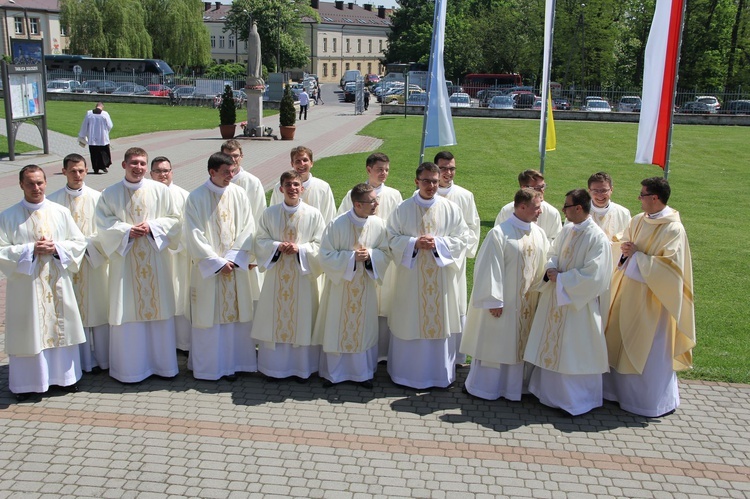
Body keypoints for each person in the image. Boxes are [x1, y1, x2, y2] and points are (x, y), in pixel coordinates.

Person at [603, 177, 695, 418]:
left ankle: (648, 402)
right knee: (619, 338)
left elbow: (671, 269)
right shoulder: (637, 220)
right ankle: (616, 394)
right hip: (628, 293)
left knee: (650, 352)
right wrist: (623, 252)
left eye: (642, 194)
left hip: (656, 301)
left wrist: (636, 257)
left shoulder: (673, 228)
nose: (639, 198)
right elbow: (622, 246)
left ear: (655, 198)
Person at [0, 165, 87, 401]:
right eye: (30, 183)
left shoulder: (60, 212)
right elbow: (1, 251)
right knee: (31, 331)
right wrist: (30, 249)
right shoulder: (8, 217)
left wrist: (57, 247)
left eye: (39, 182)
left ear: (46, 183)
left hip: (56, 283)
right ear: (21, 185)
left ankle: (64, 379)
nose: (36, 188)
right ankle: (29, 383)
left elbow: (78, 243)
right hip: (26, 289)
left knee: (60, 327)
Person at [96, 147, 182, 383]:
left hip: (156, 263)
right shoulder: (110, 194)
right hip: (125, 265)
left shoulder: (160, 191)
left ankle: (162, 367)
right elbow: (102, 225)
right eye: (134, 163)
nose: (139, 168)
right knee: (128, 313)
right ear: (124, 165)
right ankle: (130, 371)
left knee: (159, 311)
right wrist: (125, 231)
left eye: (143, 163)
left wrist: (152, 227)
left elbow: (176, 220)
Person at [523, 189, 612, 416]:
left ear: (579, 208)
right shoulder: (568, 229)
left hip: (577, 306)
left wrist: (562, 279)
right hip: (556, 299)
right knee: (553, 346)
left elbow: (596, 275)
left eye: (567, 206)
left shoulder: (597, 238)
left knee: (573, 351)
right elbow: (553, 252)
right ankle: (548, 394)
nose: (563, 210)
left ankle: (575, 400)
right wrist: (551, 268)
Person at [386, 162, 470, 389]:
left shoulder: (450, 209)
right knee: (410, 321)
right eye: (426, 181)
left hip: (440, 281)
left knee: (438, 322)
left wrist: (438, 244)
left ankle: (438, 375)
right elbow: (390, 239)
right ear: (416, 181)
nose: (431, 185)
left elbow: (463, 238)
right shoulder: (403, 209)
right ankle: (406, 375)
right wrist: (413, 243)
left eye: (434, 180)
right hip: (411, 282)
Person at [460, 188, 549, 400]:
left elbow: (544, 264)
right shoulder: (499, 233)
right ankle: (485, 388)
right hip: (503, 305)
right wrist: (494, 300)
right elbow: (488, 268)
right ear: (521, 207)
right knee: (496, 345)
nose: (540, 212)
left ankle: (514, 388)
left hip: (528, 304)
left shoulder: (539, 233)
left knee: (519, 345)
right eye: (536, 208)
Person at [183, 152, 258, 380]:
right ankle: (211, 368)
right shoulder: (196, 197)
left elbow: (248, 227)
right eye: (226, 172)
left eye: (233, 171)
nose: (231, 176)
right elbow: (193, 233)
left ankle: (236, 365)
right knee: (210, 318)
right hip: (210, 272)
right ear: (212, 172)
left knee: (236, 317)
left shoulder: (239, 194)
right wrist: (216, 263)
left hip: (234, 269)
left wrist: (234, 259)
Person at [315, 183, 391, 388]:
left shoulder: (378, 225)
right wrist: (350, 258)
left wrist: (371, 256)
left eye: (376, 199)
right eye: (372, 201)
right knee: (338, 327)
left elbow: (386, 252)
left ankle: (362, 373)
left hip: (365, 287)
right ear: (357, 204)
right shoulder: (336, 225)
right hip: (340, 289)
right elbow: (325, 256)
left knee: (362, 329)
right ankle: (335, 374)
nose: (376, 204)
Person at [252, 170, 326, 381]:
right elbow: (260, 241)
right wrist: (276, 246)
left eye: (296, 184)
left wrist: (300, 250)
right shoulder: (270, 213)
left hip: (302, 278)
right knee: (276, 318)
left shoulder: (313, 214)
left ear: (302, 188)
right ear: (281, 189)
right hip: (277, 277)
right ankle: (273, 369)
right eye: (288, 185)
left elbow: (321, 245)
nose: (292, 188)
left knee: (302, 318)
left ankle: (302, 368)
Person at [48, 154, 110, 374]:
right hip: (65, 264)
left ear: (86, 171)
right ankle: (78, 362)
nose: (77, 175)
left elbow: (106, 231)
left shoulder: (98, 198)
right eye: (72, 171)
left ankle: (103, 359)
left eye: (81, 170)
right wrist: (69, 249)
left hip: (94, 262)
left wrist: (84, 246)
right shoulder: (53, 201)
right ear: (64, 171)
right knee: (72, 313)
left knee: (98, 310)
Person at [336, 152, 403, 360]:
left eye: (386, 169)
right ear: (368, 169)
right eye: (379, 169)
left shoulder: (394, 195)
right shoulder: (354, 193)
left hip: (383, 258)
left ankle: (382, 353)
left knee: (385, 304)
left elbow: (398, 226)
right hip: (356, 261)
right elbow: (342, 222)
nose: (383, 173)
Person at [434, 151, 480, 364]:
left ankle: (454, 355)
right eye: (443, 168)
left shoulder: (464, 195)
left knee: (454, 304)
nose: (448, 172)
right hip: (427, 262)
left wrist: (450, 248)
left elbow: (473, 228)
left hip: (453, 262)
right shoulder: (424, 191)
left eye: (452, 168)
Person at [149, 156, 191, 353]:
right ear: (151, 174)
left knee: (179, 295)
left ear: (172, 172)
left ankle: (182, 343)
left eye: (166, 170)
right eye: (158, 171)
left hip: (178, 255)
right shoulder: (146, 195)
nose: (162, 174)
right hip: (153, 257)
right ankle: (160, 343)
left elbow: (188, 227)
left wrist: (175, 244)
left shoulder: (184, 195)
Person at [221, 139, 267, 304]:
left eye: (235, 156)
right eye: (228, 156)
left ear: (241, 156)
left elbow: (259, 217)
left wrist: (254, 256)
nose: (232, 160)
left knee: (248, 296)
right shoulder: (216, 181)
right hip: (221, 249)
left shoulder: (252, 182)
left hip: (245, 250)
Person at [270, 146, 336, 224]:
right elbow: (273, 214)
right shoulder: (280, 187)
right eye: (297, 161)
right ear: (292, 164)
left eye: (305, 160)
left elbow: (329, 216)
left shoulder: (323, 188)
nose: (302, 164)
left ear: (311, 163)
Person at [495, 169, 562, 243]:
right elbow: (498, 238)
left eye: (543, 186)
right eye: (537, 188)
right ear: (524, 188)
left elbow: (556, 243)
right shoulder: (507, 211)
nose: (542, 191)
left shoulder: (552, 213)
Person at [588, 172, 631, 268]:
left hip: (614, 266)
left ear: (611, 190)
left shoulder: (623, 213)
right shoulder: (579, 211)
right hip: (587, 267)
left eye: (604, 190)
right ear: (589, 191)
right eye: (595, 191)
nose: (600, 195)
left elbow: (629, 242)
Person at [78, 102, 113, 174]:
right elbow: (110, 125)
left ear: (96, 106)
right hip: (102, 138)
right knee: (103, 153)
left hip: (92, 137)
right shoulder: (105, 114)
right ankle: (103, 167)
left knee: (94, 154)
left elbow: (85, 125)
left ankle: (95, 168)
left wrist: (82, 135)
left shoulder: (89, 113)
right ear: (102, 106)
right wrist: (106, 132)